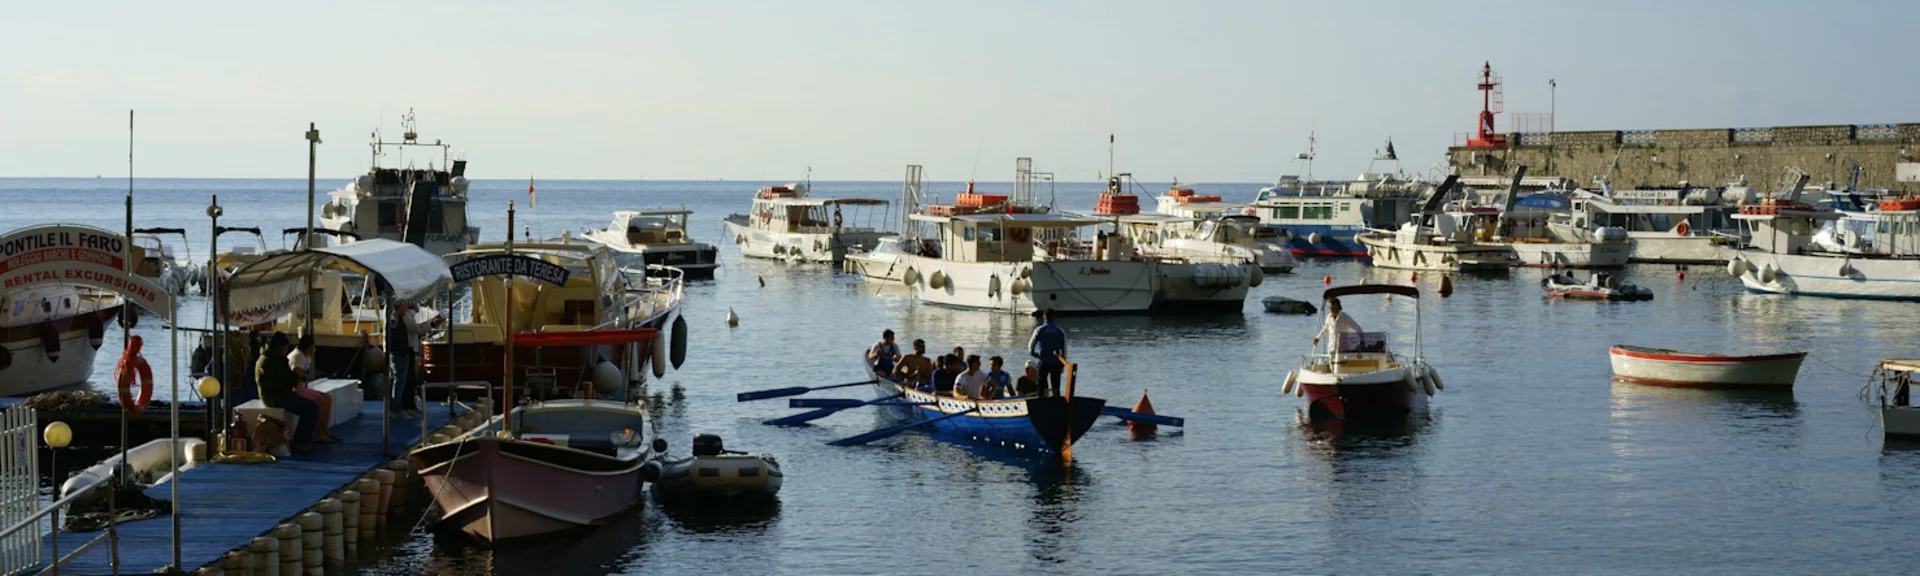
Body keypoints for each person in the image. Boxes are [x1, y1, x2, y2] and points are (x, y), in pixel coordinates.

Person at [256, 332, 320, 453]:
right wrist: (294, 379)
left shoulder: (266, 358)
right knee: (311, 408)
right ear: (281, 347)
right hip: (276, 397)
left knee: (309, 405)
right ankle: (301, 441)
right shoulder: (275, 361)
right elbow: (284, 378)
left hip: (273, 395)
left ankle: (302, 440)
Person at [287, 334, 340, 443]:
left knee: (327, 398)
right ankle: (318, 434)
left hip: (303, 387)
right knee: (320, 401)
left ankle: (325, 431)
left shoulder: (304, 355)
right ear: (310, 346)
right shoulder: (298, 357)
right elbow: (296, 378)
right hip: (296, 389)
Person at [386, 301, 426, 421]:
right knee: (398, 383)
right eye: (405, 306)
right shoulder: (395, 319)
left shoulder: (399, 318)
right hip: (399, 353)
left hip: (401, 352)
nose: (407, 308)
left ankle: (398, 408)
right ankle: (396, 410)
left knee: (399, 382)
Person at [1029, 308, 1067, 397]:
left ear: (1044, 317)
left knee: (1041, 387)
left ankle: (1040, 406)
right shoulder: (1060, 331)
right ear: (1054, 317)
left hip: (1043, 361)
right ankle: (1056, 406)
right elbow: (1064, 349)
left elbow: (1031, 345)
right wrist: (1062, 363)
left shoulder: (1039, 330)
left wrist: (1034, 354)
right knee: (1056, 388)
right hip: (1056, 362)